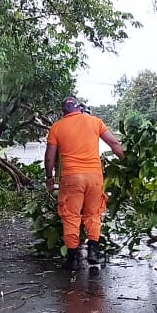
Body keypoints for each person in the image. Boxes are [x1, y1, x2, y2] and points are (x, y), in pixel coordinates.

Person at [44, 96, 124, 270]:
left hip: (72, 178)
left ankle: (72, 258)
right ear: (79, 108)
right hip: (95, 177)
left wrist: (49, 177)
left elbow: (50, 156)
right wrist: (126, 164)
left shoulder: (57, 127)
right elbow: (114, 143)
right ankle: (93, 252)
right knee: (93, 215)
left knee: (71, 216)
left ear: (63, 111)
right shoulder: (95, 122)